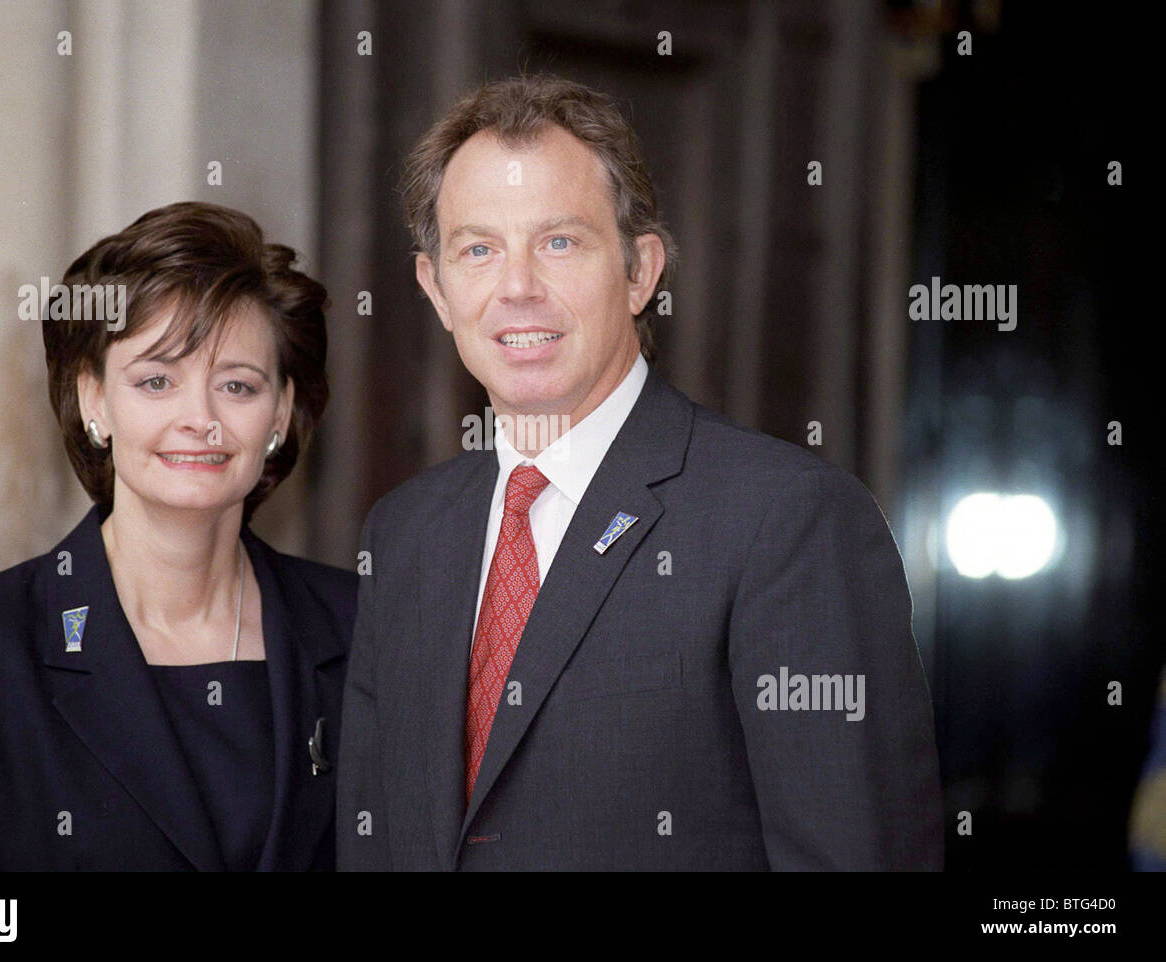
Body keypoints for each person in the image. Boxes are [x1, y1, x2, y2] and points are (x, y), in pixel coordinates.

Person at [336, 75, 943, 870]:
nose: (516, 287)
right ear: (436, 288)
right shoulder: (405, 533)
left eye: (559, 242)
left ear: (639, 271)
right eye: (478, 249)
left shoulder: (788, 520)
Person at [0, 201, 353, 870]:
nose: (199, 419)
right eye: (156, 381)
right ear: (94, 400)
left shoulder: (365, 627)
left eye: (237, 386)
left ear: (282, 412)